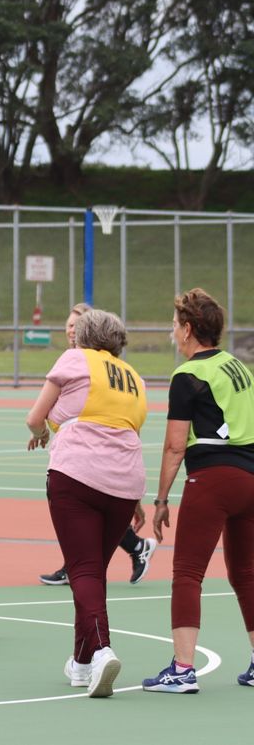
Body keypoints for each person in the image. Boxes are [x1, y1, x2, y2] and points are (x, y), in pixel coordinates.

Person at [25, 309, 148, 698]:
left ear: (85, 336)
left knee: (82, 570)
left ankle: (102, 650)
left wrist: (42, 431)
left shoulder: (75, 358)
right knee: (93, 571)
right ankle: (80, 662)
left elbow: (34, 416)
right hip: (126, 482)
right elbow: (124, 428)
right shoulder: (133, 378)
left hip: (77, 473)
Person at [142, 288, 254, 694]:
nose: (172, 332)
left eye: (175, 325)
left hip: (213, 479)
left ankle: (183, 668)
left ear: (188, 329)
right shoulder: (239, 368)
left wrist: (159, 499)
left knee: (187, 572)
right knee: (246, 573)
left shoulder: (188, 374)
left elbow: (175, 445)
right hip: (250, 479)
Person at [39, 303, 157, 586]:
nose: (70, 330)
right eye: (68, 325)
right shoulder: (79, 363)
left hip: (93, 463)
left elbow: (43, 413)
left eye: (75, 325)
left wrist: (38, 424)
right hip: (82, 458)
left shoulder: (86, 364)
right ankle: (85, 561)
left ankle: (133, 548)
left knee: (85, 503)